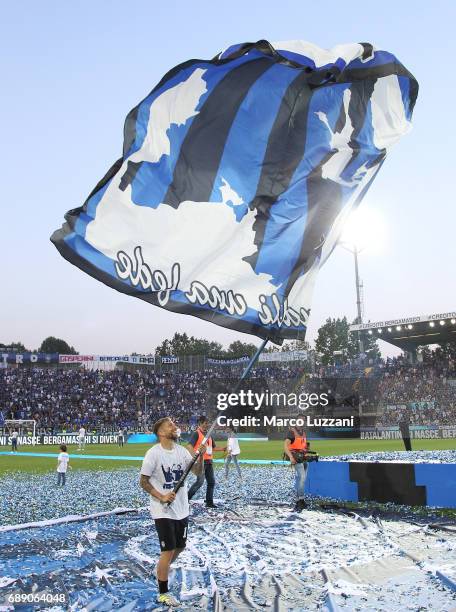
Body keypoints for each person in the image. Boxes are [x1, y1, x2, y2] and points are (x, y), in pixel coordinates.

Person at [140, 417, 205, 608]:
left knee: (180, 546)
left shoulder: (182, 451)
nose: (175, 427)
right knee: (167, 550)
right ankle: (163, 593)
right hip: (163, 509)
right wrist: (160, 496)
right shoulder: (153, 454)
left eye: (175, 424)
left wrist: (199, 456)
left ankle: (161, 568)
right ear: (160, 432)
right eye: (170, 425)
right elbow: (143, 481)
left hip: (181, 508)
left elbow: (197, 472)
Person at [187, 416, 225, 508]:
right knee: (200, 482)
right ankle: (185, 499)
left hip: (209, 461)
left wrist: (224, 448)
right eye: (205, 423)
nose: (207, 425)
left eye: (207, 423)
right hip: (201, 462)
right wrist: (194, 457)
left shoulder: (209, 435)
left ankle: (209, 502)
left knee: (211, 482)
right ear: (200, 423)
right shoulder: (196, 434)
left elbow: (213, 447)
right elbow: (189, 446)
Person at [284, 426, 309, 512]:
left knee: (302, 479)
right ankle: (300, 501)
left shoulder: (303, 432)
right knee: (302, 478)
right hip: (296, 458)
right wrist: (291, 457)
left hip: (304, 458)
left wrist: (306, 452)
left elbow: (304, 445)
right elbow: (285, 446)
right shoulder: (292, 432)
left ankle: (300, 501)